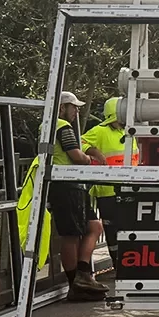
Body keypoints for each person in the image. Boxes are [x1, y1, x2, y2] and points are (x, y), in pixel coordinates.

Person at [47, 91, 109, 299]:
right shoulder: (62, 126)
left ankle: (83, 275)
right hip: (66, 185)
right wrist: (91, 160)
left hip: (72, 185)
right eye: (73, 107)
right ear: (62, 108)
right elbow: (76, 156)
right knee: (71, 235)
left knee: (94, 226)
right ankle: (75, 284)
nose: (77, 111)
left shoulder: (54, 125)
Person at [82, 97, 138, 266]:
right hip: (107, 192)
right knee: (113, 231)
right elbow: (79, 142)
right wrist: (95, 153)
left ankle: (129, 262)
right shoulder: (100, 131)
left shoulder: (128, 133)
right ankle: (117, 264)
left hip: (129, 189)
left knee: (129, 228)